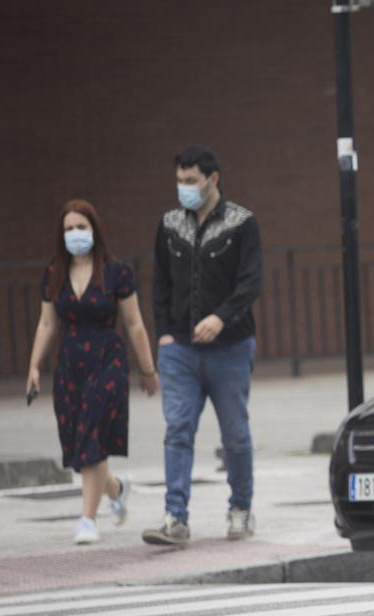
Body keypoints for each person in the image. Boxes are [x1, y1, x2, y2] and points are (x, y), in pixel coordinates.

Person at [142, 145, 262, 546]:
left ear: (213, 179)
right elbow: (160, 283)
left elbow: (251, 282)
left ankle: (241, 509)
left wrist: (220, 316)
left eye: (190, 180)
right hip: (178, 348)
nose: (184, 188)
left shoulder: (242, 222)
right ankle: (175, 517)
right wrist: (162, 332)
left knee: (235, 435)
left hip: (231, 347)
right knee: (177, 429)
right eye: (179, 181)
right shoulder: (169, 224)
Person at [26, 200, 160, 544]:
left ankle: (87, 519)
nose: (75, 234)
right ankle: (116, 488)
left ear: (94, 230)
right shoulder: (54, 274)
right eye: (68, 229)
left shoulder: (117, 272)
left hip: (106, 360)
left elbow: (134, 323)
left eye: (81, 227)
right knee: (80, 443)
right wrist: (34, 367)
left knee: (90, 435)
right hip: (69, 365)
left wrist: (148, 369)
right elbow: (46, 322)